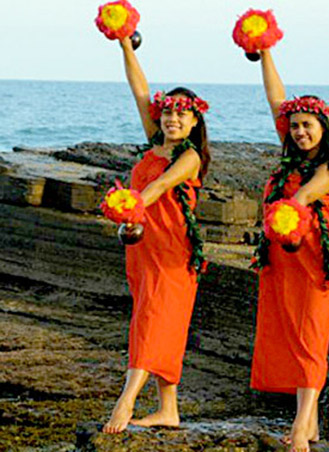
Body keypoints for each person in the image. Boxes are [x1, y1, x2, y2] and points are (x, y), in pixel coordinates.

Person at [102, 35, 211, 434]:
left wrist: (128, 207)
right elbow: (139, 89)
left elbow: (158, 188)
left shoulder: (190, 157)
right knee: (155, 321)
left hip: (173, 249)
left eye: (183, 115)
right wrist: (125, 45)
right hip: (142, 245)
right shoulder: (155, 144)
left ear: (195, 121)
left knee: (154, 321)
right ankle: (169, 409)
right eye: (168, 113)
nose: (173, 120)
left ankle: (126, 399)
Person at [249, 48, 329, 452]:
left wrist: (283, 217)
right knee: (292, 336)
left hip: (313, 259)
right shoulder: (288, 158)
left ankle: (302, 425)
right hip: (282, 258)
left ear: (323, 127)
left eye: (307, 125)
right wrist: (265, 52)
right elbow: (275, 99)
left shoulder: (328, 168)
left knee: (311, 338)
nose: (300, 131)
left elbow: (301, 200)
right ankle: (313, 422)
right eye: (295, 125)